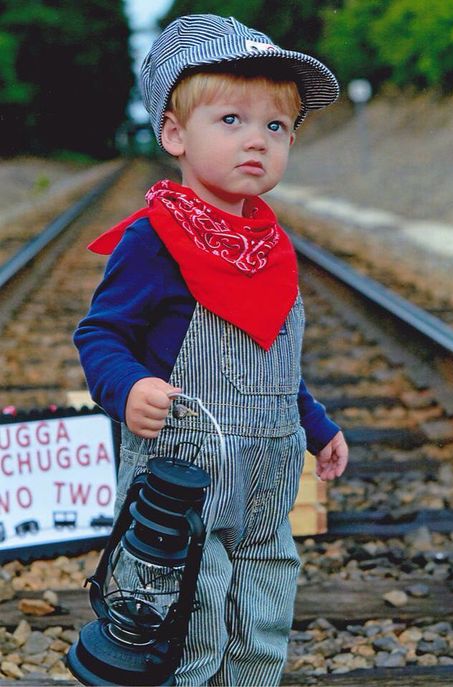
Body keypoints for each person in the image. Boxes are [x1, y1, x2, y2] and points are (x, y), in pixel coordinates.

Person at [74, 13, 348, 687]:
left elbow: (271, 354)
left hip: (267, 480)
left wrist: (317, 424)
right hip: (182, 478)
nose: (256, 140)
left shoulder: (274, 249)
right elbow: (101, 334)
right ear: (175, 134)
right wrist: (128, 385)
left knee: (263, 604)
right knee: (190, 610)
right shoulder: (154, 241)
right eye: (231, 121)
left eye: (275, 126)